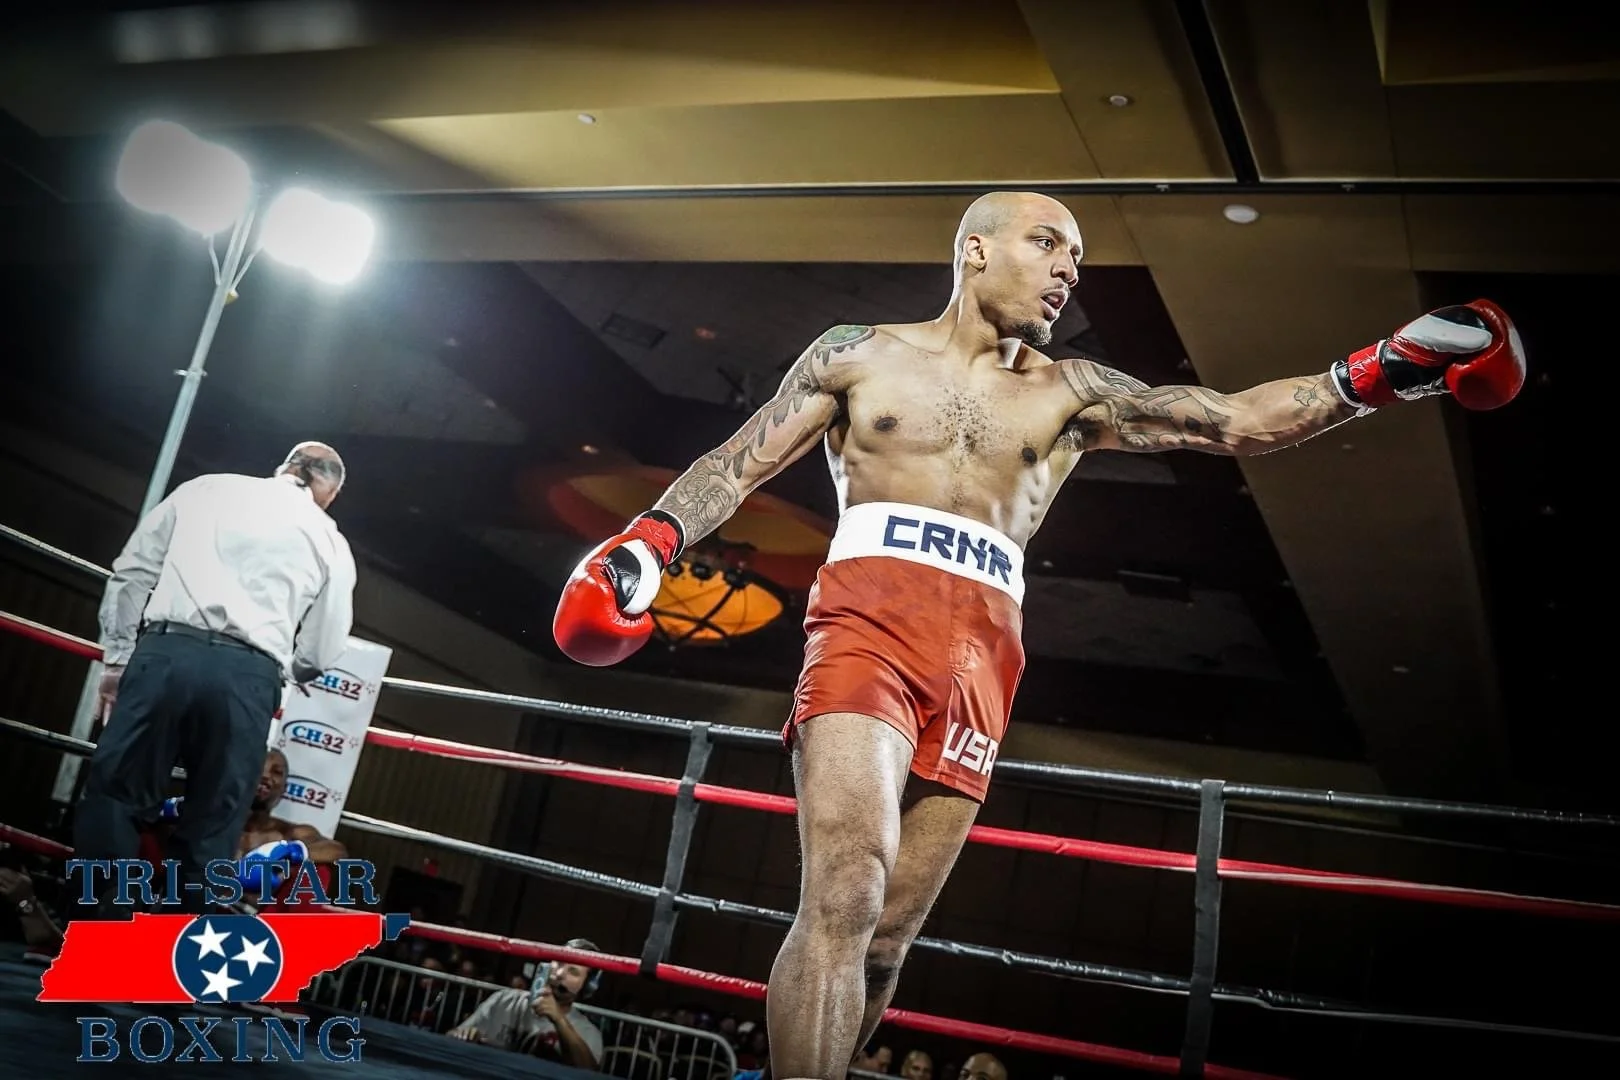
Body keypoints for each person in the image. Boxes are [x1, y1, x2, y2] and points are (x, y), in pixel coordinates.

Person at [551, 191, 1527, 1079]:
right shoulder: (858, 351)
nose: (1069, 269)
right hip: (866, 619)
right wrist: (651, 542)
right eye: (1048, 243)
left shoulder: (1073, 391)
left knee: (887, 940)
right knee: (845, 891)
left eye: (1078, 254)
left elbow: (1234, 422)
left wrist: (1382, 372)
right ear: (975, 251)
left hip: (984, 648)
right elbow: (737, 462)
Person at [74, 442, 356, 916]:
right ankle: (170, 976)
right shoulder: (329, 538)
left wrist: (118, 661)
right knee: (213, 825)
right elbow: (323, 646)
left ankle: (98, 950)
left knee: (116, 798)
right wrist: (294, 666)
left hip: (166, 652)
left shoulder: (206, 489)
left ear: (282, 466)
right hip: (248, 675)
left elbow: (132, 574)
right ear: (329, 493)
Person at [151, 747, 348, 906]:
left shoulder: (288, 833)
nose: (265, 776)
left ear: (284, 788)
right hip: (185, 911)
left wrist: (288, 853)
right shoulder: (210, 819)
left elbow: (338, 851)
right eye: (259, 768)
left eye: (276, 772)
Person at [447, 938, 605, 1070]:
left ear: (587, 986)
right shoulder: (504, 1000)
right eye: (559, 963)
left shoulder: (588, 1032)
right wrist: (464, 1036)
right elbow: (451, 1037)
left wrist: (559, 1020)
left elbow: (588, 1074)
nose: (559, 974)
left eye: (573, 971)